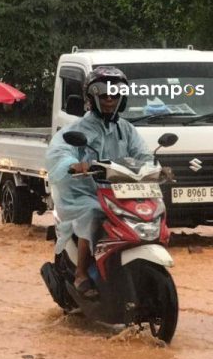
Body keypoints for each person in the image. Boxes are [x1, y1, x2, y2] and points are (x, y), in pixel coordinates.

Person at [45, 66, 152, 299]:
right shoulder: (79, 128)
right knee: (94, 213)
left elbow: (143, 155)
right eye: (104, 95)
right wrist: (73, 164)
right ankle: (81, 273)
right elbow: (58, 152)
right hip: (83, 194)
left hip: (120, 193)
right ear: (93, 98)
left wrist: (155, 167)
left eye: (115, 94)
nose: (110, 99)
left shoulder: (126, 129)